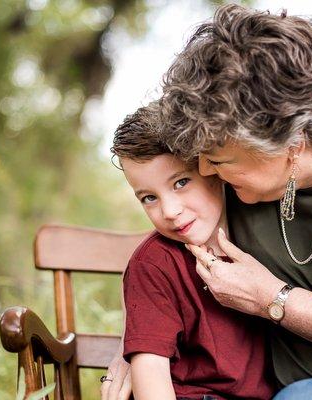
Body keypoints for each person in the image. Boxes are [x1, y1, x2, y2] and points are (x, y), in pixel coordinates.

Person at [102, 5, 312, 400]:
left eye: (217, 159)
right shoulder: (244, 174)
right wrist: (141, 346)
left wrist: (276, 301)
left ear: (289, 145)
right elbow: (169, 246)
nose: (205, 171)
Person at [107, 103, 274, 400]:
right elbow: (151, 375)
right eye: (149, 198)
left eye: (181, 183)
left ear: (213, 169)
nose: (169, 211)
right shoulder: (154, 264)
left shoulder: (264, 233)